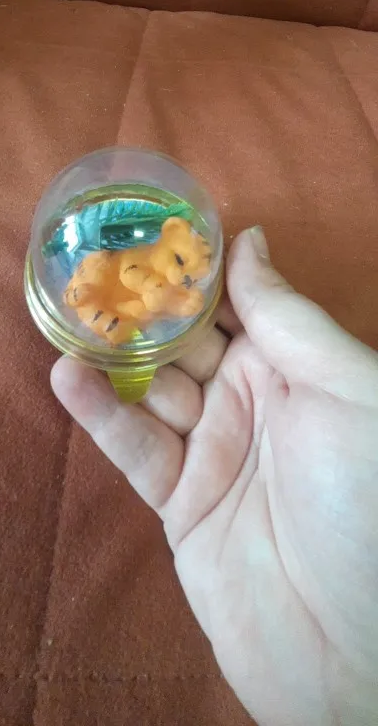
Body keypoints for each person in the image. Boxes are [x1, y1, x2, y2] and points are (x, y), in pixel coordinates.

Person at [51, 227, 378, 726]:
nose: (185, 274)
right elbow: (140, 278)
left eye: (191, 268)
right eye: (180, 260)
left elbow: (181, 300)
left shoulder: (182, 287)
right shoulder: (141, 258)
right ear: (166, 237)